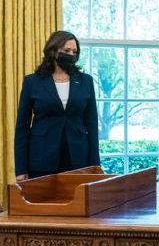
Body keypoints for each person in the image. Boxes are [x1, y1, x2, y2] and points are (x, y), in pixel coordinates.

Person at [14, 31, 100, 181]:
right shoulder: (32, 82)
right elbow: (22, 127)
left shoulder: (86, 81)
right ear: (54, 51)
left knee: (78, 204)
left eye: (75, 52)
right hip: (41, 159)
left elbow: (92, 125)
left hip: (78, 160)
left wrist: (95, 166)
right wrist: (21, 169)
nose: (71, 55)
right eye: (66, 51)